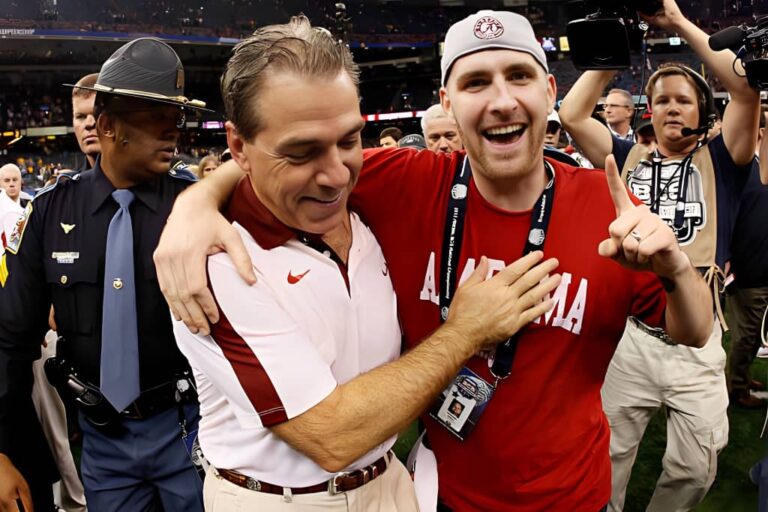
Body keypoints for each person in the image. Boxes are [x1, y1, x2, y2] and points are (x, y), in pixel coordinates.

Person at [154, 10, 713, 511]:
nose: (500, 100)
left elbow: (694, 331)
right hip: (441, 493)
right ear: (448, 103)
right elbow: (287, 159)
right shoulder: (402, 180)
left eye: (518, 77)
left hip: (572, 494)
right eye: (475, 82)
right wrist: (195, 202)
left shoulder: (605, 202)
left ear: (549, 91)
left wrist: (677, 269)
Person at [175, 15, 560, 511]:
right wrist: (465, 332)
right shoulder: (217, 262)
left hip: (391, 482)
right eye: (301, 153)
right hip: (284, 499)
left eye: (350, 140)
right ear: (238, 149)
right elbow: (332, 436)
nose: (336, 175)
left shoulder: (374, 199)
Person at [558, 0, 760, 509]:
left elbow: (743, 87)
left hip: (698, 335)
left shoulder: (724, 157)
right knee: (609, 454)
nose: (671, 108)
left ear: (703, 111)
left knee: (695, 468)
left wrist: (677, 24)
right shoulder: (627, 155)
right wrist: (615, 48)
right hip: (632, 336)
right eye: (662, 100)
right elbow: (571, 113)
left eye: (684, 100)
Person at [0, 37, 210, 511]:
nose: (172, 130)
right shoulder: (51, 213)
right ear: (109, 126)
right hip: (102, 437)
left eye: (175, 116)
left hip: (191, 426)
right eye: (155, 116)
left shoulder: (196, 206)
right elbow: (10, 340)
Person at [726, 108, 768, 408]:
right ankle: (735, 389)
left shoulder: (758, 166)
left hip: (760, 265)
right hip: (747, 269)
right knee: (747, 334)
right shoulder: (737, 168)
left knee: (755, 333)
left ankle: (741, 376)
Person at [70, 73, 101, 172]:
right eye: (80, 117)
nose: (89, 124)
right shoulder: (70, 186)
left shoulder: (146, 184)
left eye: (97, 114)